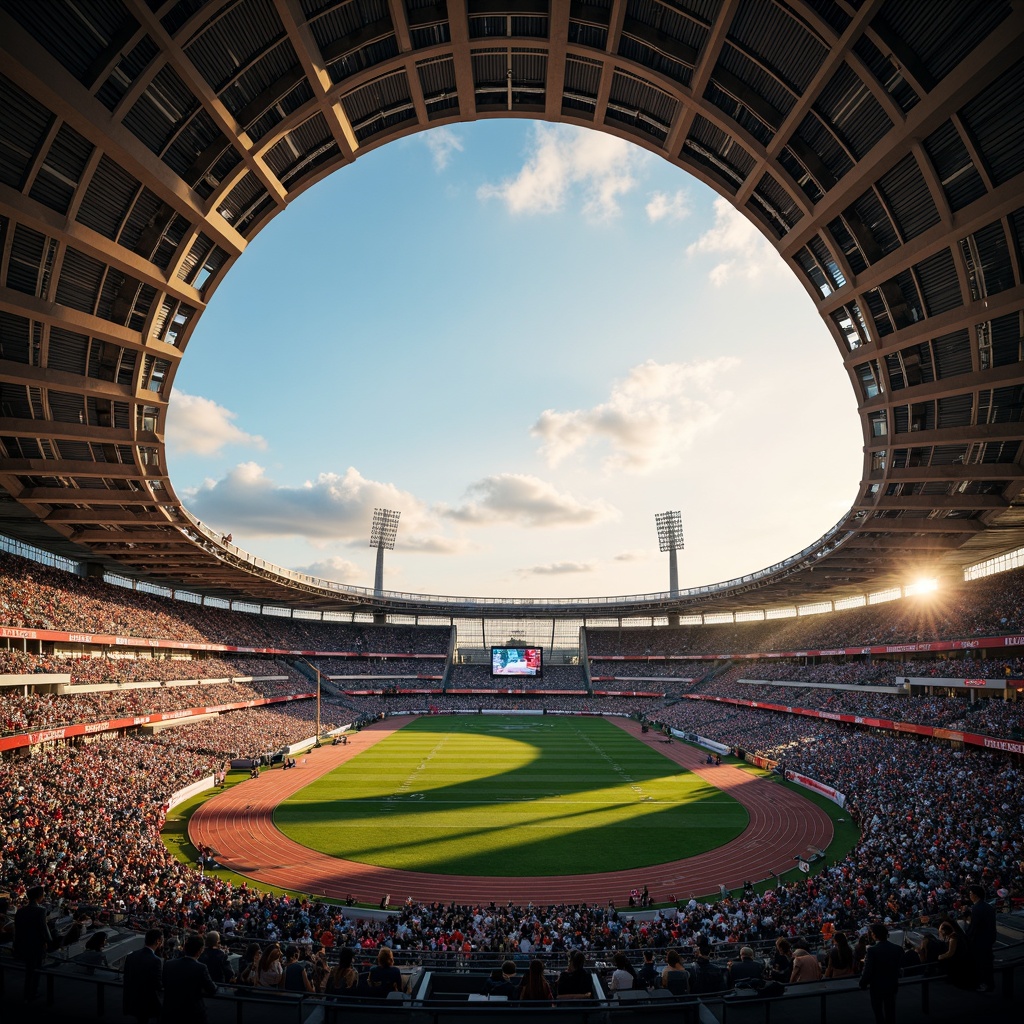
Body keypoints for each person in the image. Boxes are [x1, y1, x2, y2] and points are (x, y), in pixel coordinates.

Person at [161, 933, 217, 1024]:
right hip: (192, 1015)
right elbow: (212, 989)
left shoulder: (169, 964)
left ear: (184, 948)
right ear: (200, 950)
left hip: (169, 1013)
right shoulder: (201, 968)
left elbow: (164, 983)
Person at [13, 885, 52, 1001]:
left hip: (23, 942)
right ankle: (32, 992)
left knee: (29, 968)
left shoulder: (20, 911)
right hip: (36, 944)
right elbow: (43, 928)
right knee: (35, 969)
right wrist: (49, 941)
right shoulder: (41, 910)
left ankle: (27, 990)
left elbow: (17, 929)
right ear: (39, 897)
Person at [859, 922, 902, 1024]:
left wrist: (863, 983)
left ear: (874, 934)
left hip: (877, 987)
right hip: (892, 985)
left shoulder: (872, 950)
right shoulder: (897, 949)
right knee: (891, 1013)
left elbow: (868, 970)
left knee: (878, 1013)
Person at [123, 928, 164, 1024]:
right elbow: (157, 984)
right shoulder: (156, 960)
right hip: (148, 1000)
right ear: (158, 941)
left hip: (133, 998)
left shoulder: (131, 956)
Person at [965, 884, 996, 991]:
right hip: (989, 939)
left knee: (981, 964)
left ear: (975, 895)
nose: (969, 896)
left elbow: (974, 927)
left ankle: (984, 984)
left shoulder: (976, 909)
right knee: (988, 963)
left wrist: (968, 938)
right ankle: (989, 984)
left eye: (970, 894)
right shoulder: (989, 907)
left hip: (979, 942)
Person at [937, 919, 975, 989]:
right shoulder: (958, 935)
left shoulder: (953, 938)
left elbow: (950, 953)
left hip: (958, 961)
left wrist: (940, 956)